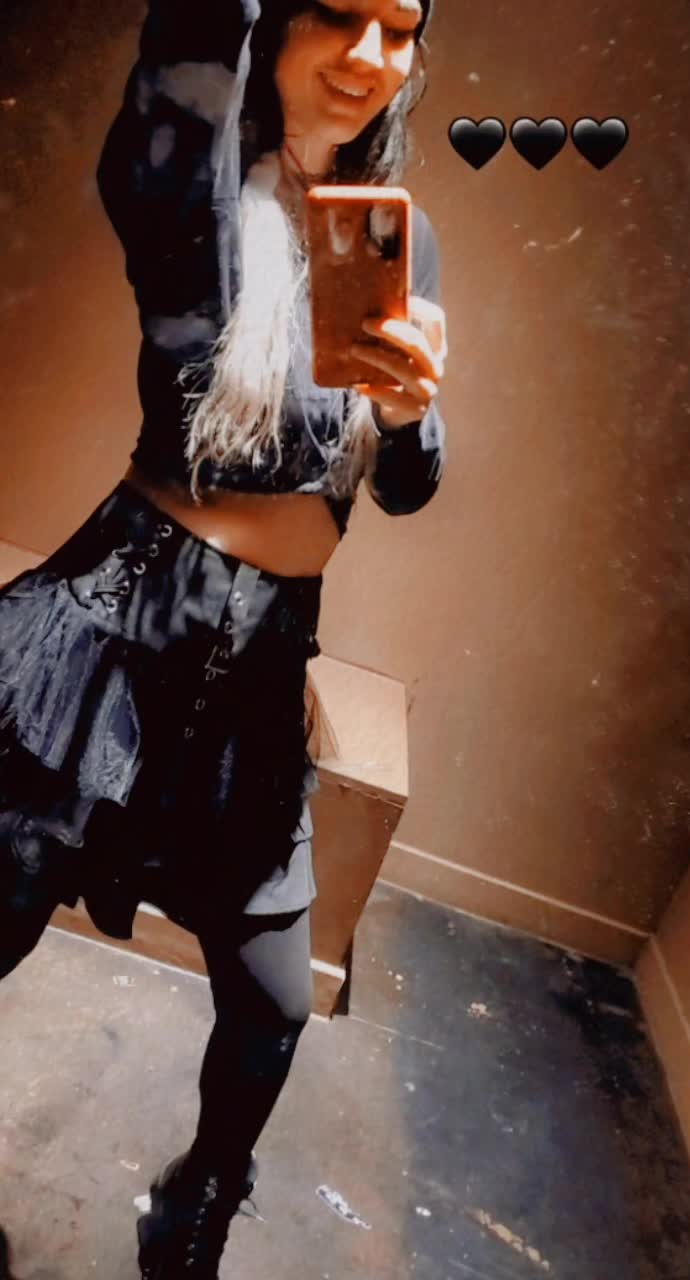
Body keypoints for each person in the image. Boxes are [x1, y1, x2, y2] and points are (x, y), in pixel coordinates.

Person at [0, 1, 448, 1275]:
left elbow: (409, 487)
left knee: (272, 1001)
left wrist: (410, 414)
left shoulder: (391, 234)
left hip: (260, 661)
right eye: (339, 14)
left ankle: (197, 1201)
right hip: (113, 631)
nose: (369, 56)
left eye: (401, 29)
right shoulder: (192, 186)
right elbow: (187, 59)